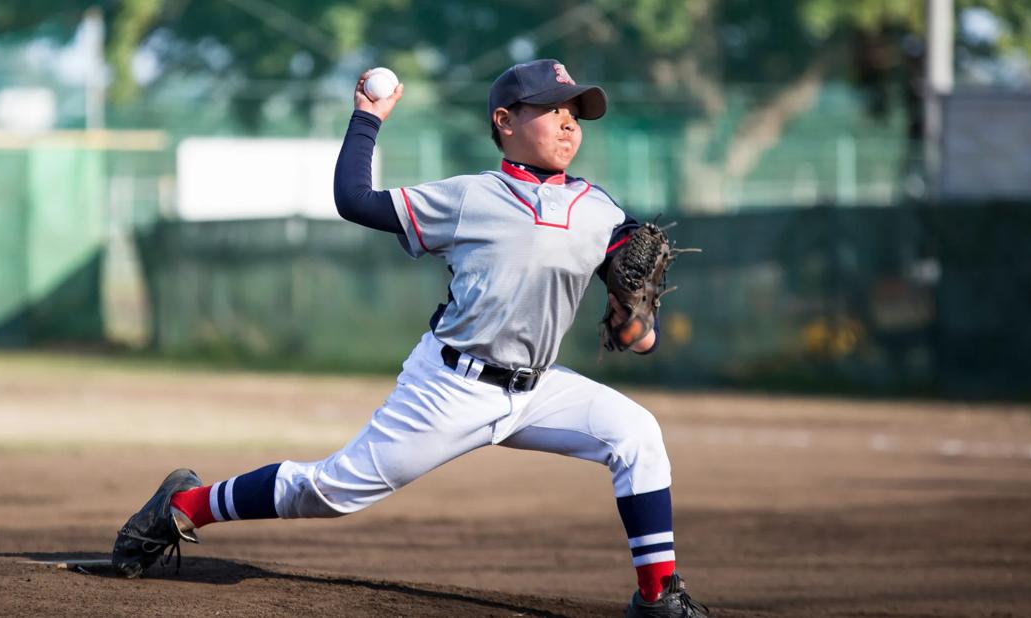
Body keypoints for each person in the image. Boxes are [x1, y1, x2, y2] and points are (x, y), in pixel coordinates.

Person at [112, 59, 707, 617]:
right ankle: (184, 506)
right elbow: (355, 200)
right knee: (330, 491)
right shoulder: (471, 197)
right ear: (504, 122)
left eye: (574, 111)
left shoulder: (599, 209)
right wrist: (367, 119)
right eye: (549, 108)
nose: (567, 120)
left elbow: (635, 319)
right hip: (451, 385)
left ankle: (657, 597)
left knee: (636, 434)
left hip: (538, 390)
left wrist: (635, 323)